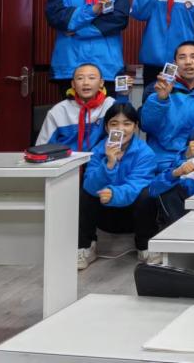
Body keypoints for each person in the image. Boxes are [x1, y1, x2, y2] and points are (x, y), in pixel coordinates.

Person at [77, 103, 158, 269]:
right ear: (106, 128)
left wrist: (114, 193)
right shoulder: (98, 150)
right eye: (114, 124)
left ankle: (144, 247)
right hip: (104, 214)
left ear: (135, 127)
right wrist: (109, 164)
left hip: (132, 215)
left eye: (127, 124)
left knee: (147, 195)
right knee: (85, 192)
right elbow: (90, 186)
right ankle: (86, 247)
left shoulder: (145, 153)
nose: (121, 129)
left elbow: (136, 185)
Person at [139, 40, 194, 172]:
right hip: (163, 161)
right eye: (182, 57)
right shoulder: (158, 88)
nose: (188, 62)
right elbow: (148, 126)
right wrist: (160, 99)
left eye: (193, 57)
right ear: (175, 64)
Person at [37, 62, 114, 152]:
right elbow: (42, 147)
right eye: (80, 78)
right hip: (67, 159)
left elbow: (122, 135)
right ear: (73, 84)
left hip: (99, 159)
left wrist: (123, 95)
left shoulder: (110, 105)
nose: (86, 83)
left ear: (101, 83)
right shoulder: (58, 111)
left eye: (91, 78)